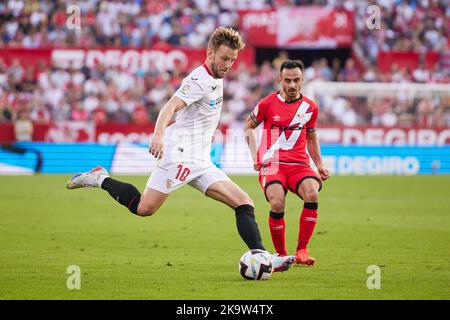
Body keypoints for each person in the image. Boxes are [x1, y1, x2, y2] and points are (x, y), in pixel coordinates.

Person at [66, 27, 294, 272]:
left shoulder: (217, 78)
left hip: (201, 159)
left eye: (232, 60)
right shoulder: (199, 80)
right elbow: (171, 106)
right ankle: (101, 178)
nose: (228, 65)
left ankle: (263, 257)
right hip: (180, 157)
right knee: (145, 208)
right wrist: (158, 135)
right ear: (210, 53)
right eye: (224, 58)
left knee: (243, 202)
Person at [244, 60, 330, 266]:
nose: (292, 85)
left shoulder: (310, 107)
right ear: (279, 80)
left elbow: (311, 138)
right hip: (273, 164)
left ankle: (302, 250)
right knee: (277, 201)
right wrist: (255, 155)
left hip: (299, 165)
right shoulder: (266, 103)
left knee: (312, 192)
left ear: (302, 80)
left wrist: (319, 164)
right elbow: (248, 128)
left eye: (296, 80)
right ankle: (281, 256)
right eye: (287, 81)